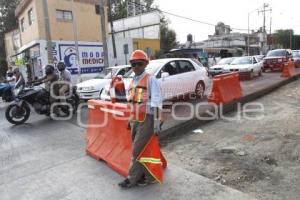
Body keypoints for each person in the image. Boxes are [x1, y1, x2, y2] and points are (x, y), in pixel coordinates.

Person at [118, 50, 164, 188]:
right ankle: (149, 175)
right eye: (133, 64)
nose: (136, 66)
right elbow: (131, 102)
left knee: (137, 150)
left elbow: (156, 101)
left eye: (139, 63)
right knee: (143, 149)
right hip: (135, 120)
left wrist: (156, 121)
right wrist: (129, 120)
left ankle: (131, 179)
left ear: (145, 64)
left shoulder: (151, 79)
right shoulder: (132, 81)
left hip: (146, 120)